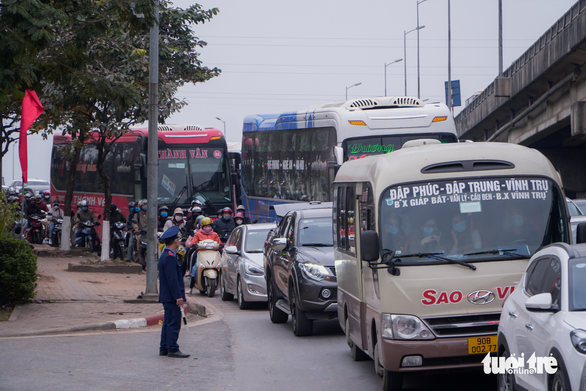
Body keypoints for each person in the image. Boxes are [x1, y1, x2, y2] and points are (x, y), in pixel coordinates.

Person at [158, 225, 189, 358]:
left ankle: (164, 347)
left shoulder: (167, 255)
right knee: (173, 323)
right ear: (175, 241)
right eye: (178, 239)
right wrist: (178, 296)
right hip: (171, 297)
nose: (179, 241)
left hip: (167, 296)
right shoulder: (169, 257)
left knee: (168, 322)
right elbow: (172, 280)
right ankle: (172, 348)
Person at [185, 217, 221, 294]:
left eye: (209, 226)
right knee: (195, 267)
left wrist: (221, 245)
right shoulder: (198, 234)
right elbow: (193, 242)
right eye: (205, 226)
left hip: (213, 253)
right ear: (201, 227)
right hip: (201, 253)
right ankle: (191, 287)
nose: (208, 228)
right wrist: (194, 244)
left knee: (221, 265)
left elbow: (219, 242)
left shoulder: (215, 234)